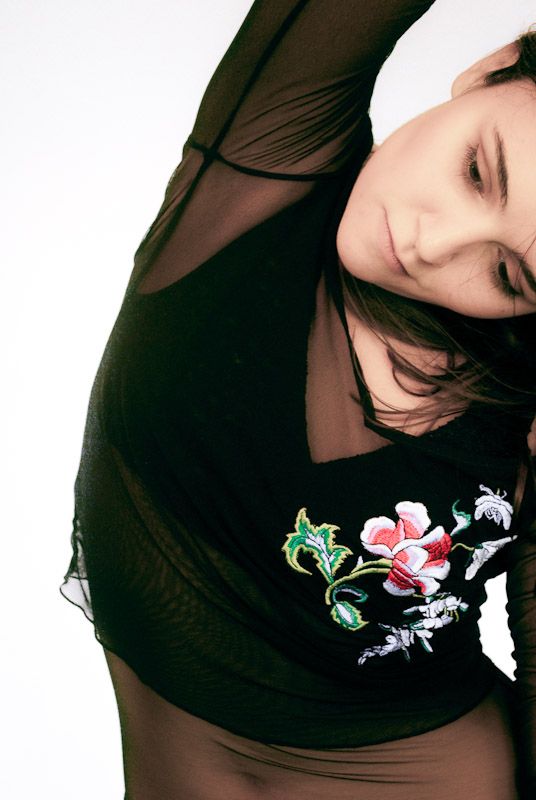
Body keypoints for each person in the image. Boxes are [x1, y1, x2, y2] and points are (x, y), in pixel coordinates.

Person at [59, 1, 536, 798]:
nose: (434, 242)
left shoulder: (522, 408)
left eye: (507, 274)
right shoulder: (265, 165)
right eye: (478, 173)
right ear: (490, 70)